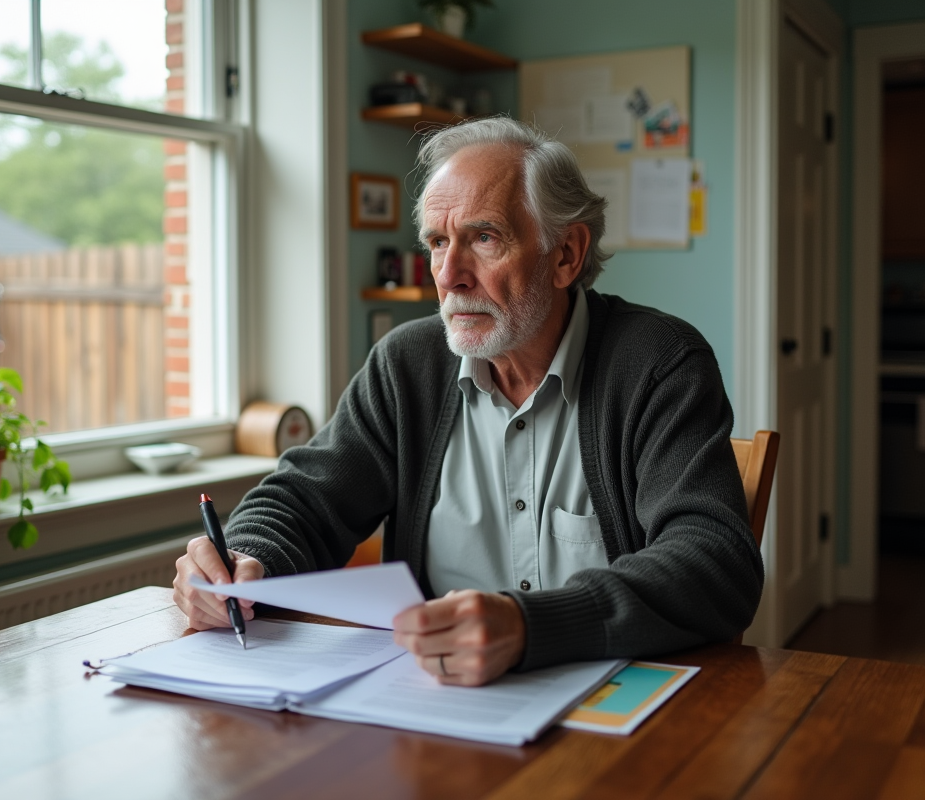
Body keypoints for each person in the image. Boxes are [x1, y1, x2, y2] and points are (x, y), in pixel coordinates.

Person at [173, 117, 763, 687]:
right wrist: (244, 559)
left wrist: (530, 626)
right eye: (437, 242)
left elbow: (714, 563)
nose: (450, 274)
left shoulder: (659, 362)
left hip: (614, 712)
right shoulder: (407, 364)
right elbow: (305, 499)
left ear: (565, 255)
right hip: (434, 702)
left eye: (484, 237)